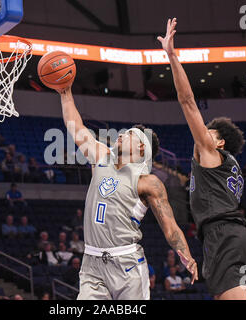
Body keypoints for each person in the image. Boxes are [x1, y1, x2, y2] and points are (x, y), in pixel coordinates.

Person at [57, 50, 197, 300]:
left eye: (129, 134)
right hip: (92, 263)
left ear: (141, 147)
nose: (121, 134)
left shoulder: (148, 182)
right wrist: (65, 94)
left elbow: (170, 226)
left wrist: (185, 255)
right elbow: (76, 128)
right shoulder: (102, 157)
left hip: (127, 264)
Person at [158, 17, 246, 300]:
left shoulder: (212, 154)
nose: (201, 134)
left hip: (223, 236)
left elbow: (187, 102)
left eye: (208, 132)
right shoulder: (228, 167)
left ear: (220, 141)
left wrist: (172, 56)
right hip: (239, 239)